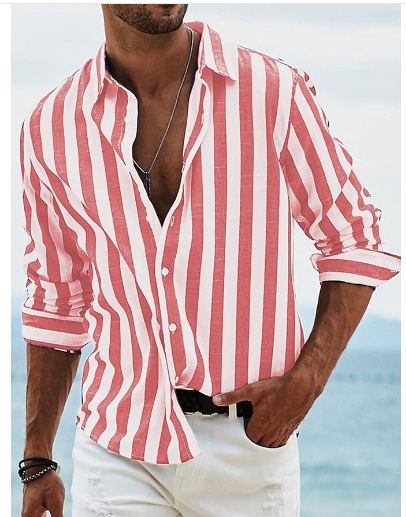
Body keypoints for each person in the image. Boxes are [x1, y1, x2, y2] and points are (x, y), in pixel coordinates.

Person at [18, 4, 400, 517]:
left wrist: (307, 382)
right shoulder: (52, 128)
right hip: (118, 448)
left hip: (251, 450)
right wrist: (38, 459)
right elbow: (57, 297)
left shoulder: (271, 91)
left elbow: (354, 236)